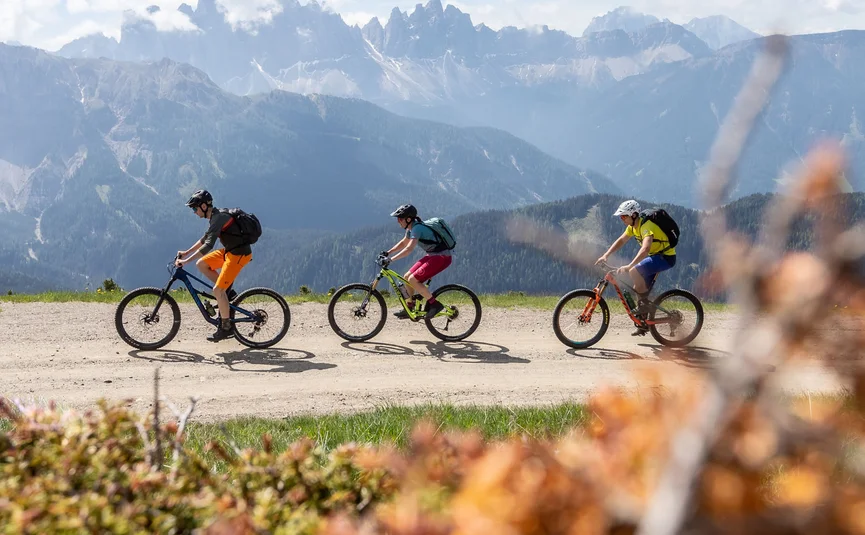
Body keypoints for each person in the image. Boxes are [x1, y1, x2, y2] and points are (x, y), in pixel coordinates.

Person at [176, 189, 252, 342]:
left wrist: (185, 261)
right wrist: (186, 252)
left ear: (204, 206)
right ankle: (228, 294)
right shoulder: (215, 217)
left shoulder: (218, 218)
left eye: (194, 208)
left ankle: (226, 328)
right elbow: (205, 238)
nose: (194, 211)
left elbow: (208, 246)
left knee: (218, 290)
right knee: (202, 264)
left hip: (239, 254)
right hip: (229, 252)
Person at [596, 199, 677, 336]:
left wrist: (629, 266)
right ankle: (643, 324)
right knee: (638, 289)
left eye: (624, 216)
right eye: (621, 217)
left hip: (665, 257)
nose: (622, 219)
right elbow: (621, 240)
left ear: (633, 215)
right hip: (655, 257)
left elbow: (645, 249)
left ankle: (644, 308)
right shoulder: (633, 226)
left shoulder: (646, 226)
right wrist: (606, 255)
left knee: (634, 271)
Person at [381, 204, 449, 319]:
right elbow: (404, 243)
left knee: (413, 279)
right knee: (407, 277)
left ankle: (435, 305)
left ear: (408, 219)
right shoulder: (411, 228)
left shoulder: (417, 228)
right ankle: (410, 307)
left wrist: (391, 259)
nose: (398, 221)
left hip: (442, 257)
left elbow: (408, 249)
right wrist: (388, 252)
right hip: (433, 255)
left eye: (400, 218)